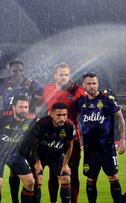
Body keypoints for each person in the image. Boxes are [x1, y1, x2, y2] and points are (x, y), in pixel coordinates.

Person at [77, 72, 126, 203]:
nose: (92, 86)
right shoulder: (81, 102)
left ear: (98, 84)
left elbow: (120, 118)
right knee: (91, 179)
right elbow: (75, 120)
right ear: (84, 85)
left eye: (94, 83)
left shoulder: (107, 99)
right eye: (89, 83)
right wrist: (79, 138)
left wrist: (122, 139)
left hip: (107, 148)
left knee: (113, 178)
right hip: (90, 149)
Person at [0, 59, 42, 203]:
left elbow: (43, 96)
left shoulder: (32, 84)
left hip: (27, 130)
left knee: (34, 172)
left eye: (20, 70)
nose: (18, 73)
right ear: (9, 72)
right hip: (8, 129)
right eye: (15, 71)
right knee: (14, 171)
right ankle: (15, 200)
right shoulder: (3, 84)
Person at [42, 63, 85, 203]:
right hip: (52, 139)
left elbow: (86, 106)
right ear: (55, 75)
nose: (64, 77)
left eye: (66, 74)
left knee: (73, 173)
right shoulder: (47, 89)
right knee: (53, 174)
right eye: (61, 74)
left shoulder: (77, 91)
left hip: (72, 139)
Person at [0, 95, 36, 203]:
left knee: (30, 182)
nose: (24, 110)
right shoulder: (1, 116)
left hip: (15, 154)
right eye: (20, 107)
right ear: (14, 107)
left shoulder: (31, 119)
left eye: (26, 107)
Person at [28, 103, 74, 203]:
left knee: (66, 178)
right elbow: (33, 144)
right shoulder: (42, 124)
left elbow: (70, 146)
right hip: (40, 155)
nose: (62, 118)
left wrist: (65, 164)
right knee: (38, 180)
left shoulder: (69, 126)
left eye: (64, 115)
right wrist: (37, 162)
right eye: (58, 115)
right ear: (51, 114)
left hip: (57, 155)